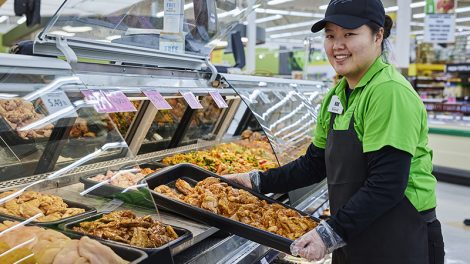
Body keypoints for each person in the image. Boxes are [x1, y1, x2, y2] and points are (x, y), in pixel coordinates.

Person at [225, 0, 445, 263]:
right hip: (358, 232)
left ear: (378, 36)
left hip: (401, 239)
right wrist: (256, 181)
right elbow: (314, 164)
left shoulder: (389, 91)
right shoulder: (337, 95)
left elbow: (387, 184)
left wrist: (329, 234)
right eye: (330, 35)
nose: (337, 45)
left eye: (349, 34)